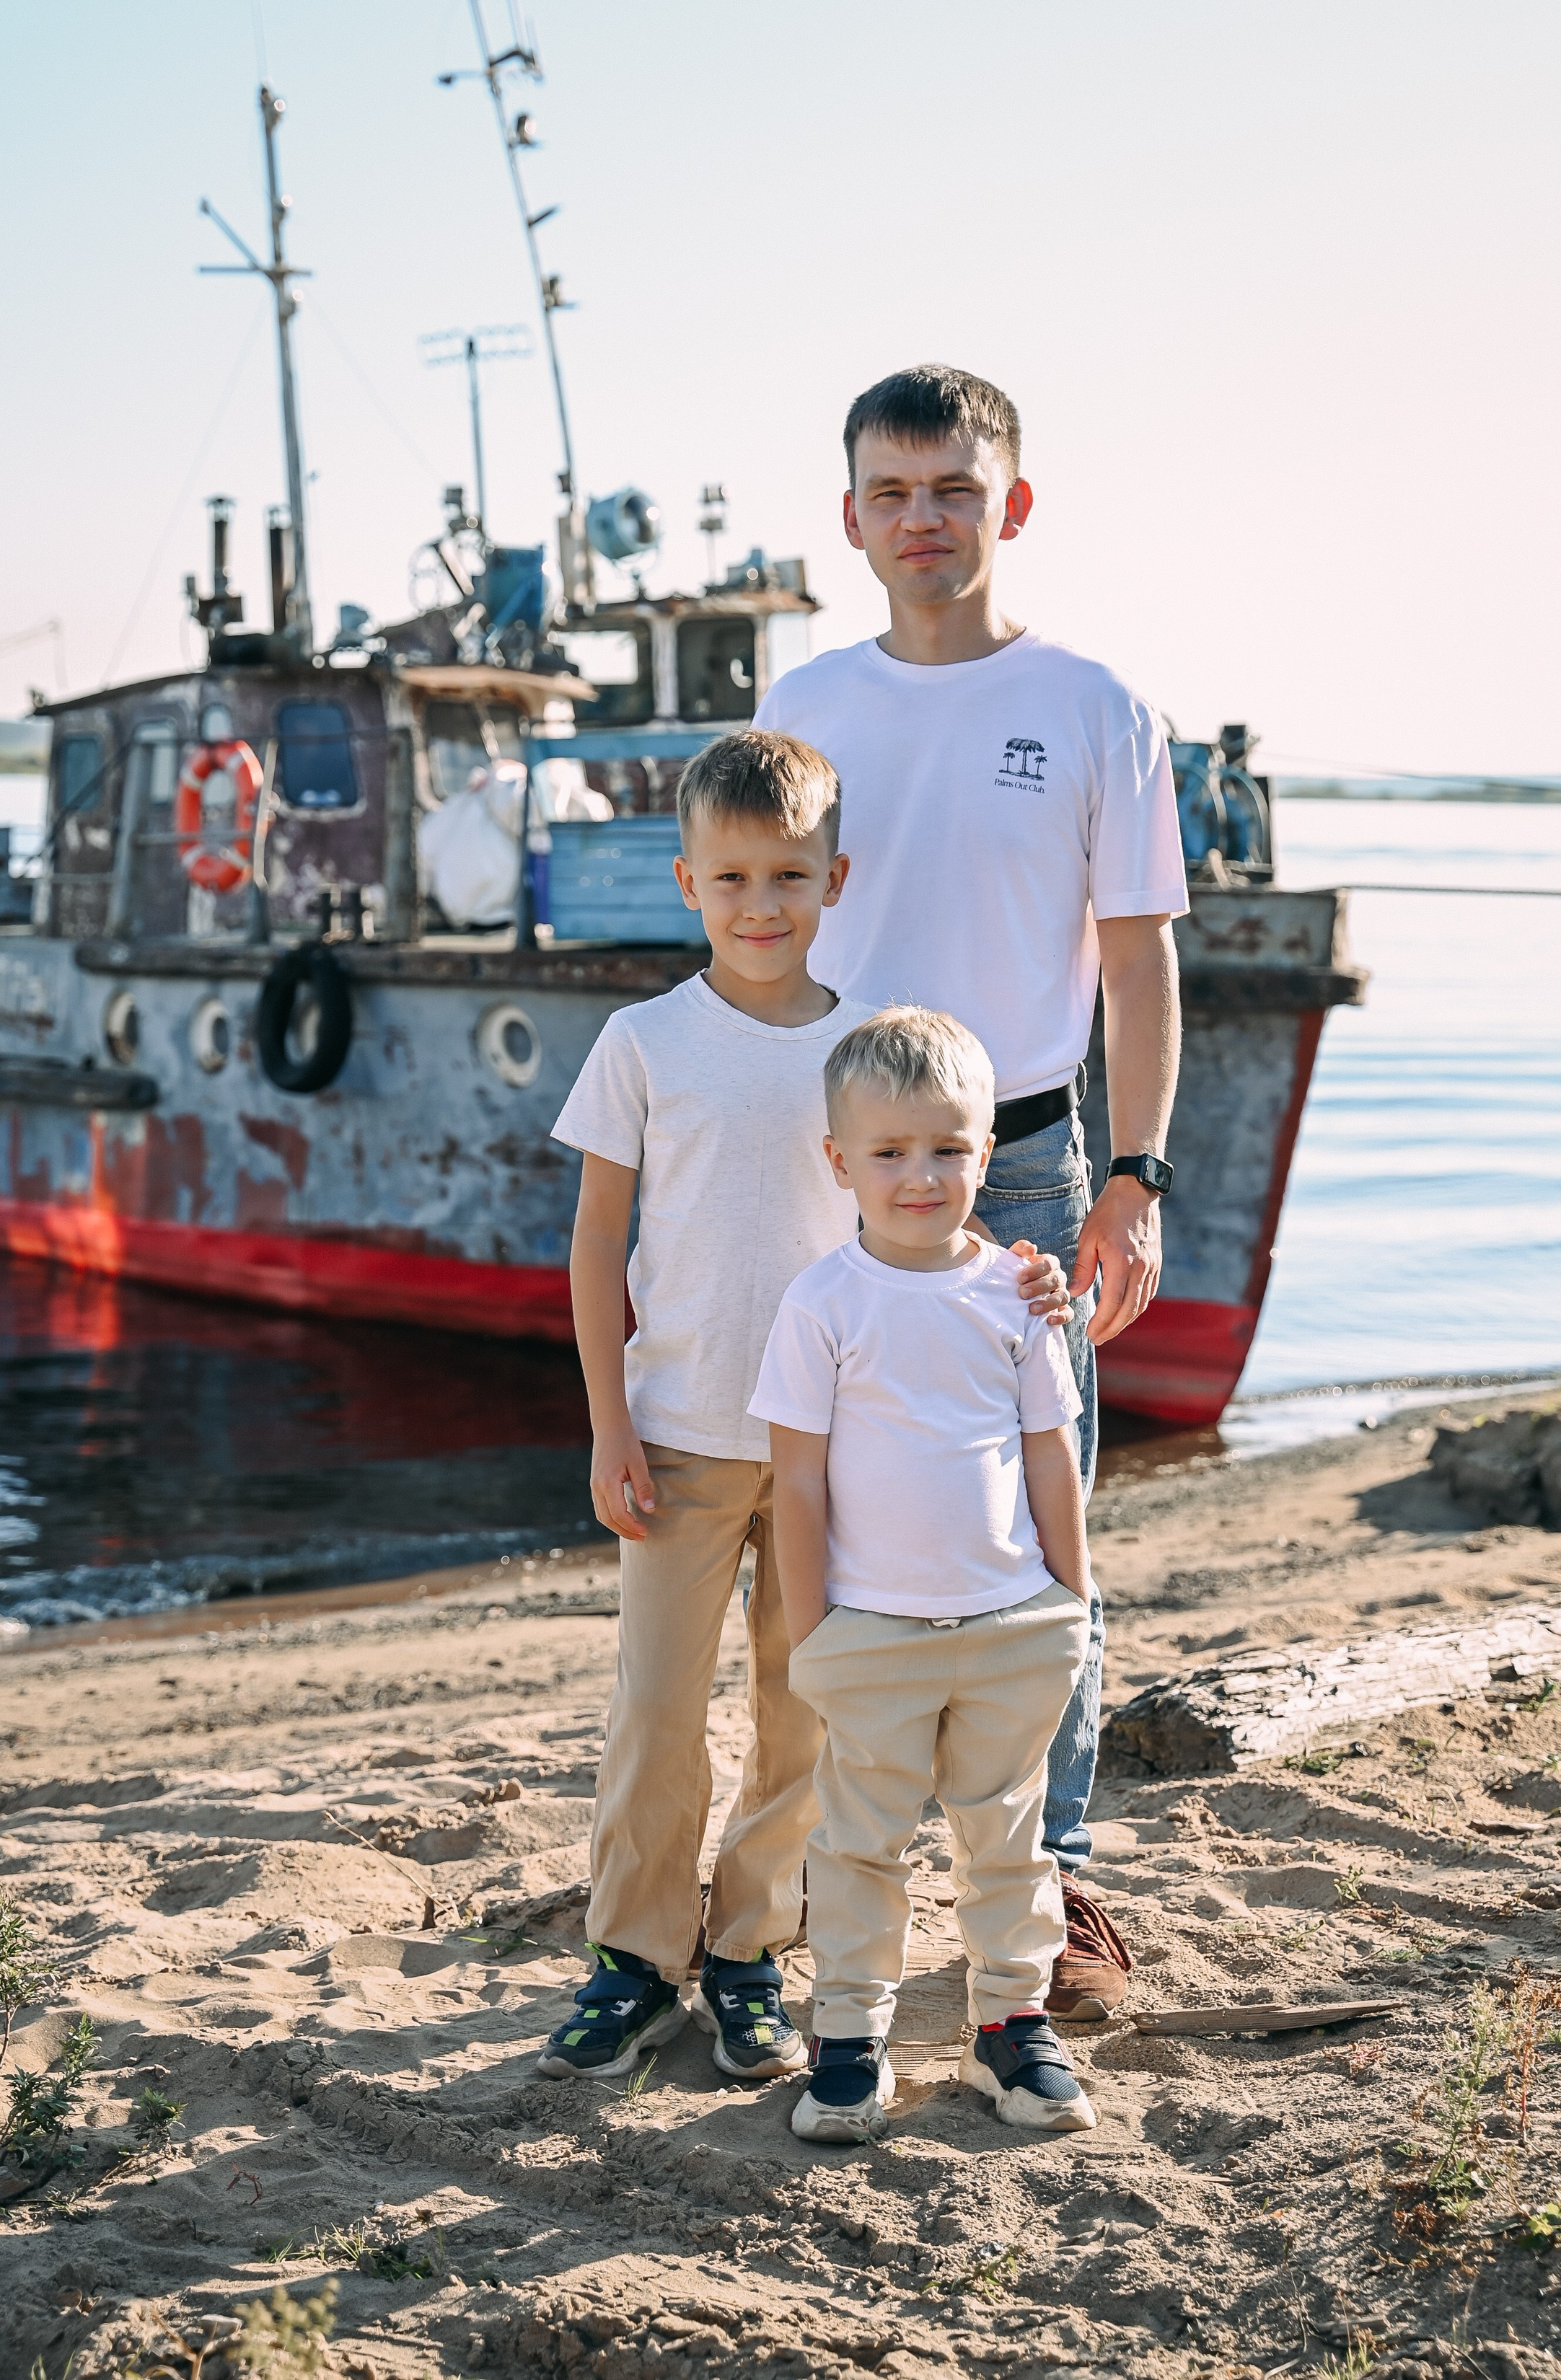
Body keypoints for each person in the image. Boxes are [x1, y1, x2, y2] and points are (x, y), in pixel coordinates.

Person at [537, 730, 1068, 2084]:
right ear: (686, 882)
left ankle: (747, 1952)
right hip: (676, 1436)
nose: (760, 904)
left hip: (844, 1455)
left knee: (804, 1711)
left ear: (836, 878)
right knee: (656, 1711)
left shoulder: (864, 1046)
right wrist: (605, 1426)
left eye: (788, 874)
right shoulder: (642, 1043)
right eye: (731, 878)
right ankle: (634, 1959)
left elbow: (921, 1206)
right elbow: (598, 1245)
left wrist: (1025, 1276)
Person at [755, 363, 1187, 2014]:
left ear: (1008, 506)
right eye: (890, 491)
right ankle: (819, 1854)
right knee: (818, 1491)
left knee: (1039, 1503)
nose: (921, 519)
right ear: (851, 517)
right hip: (833, 1139)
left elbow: (1140, 970)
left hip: (1019, 1149)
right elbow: (757, 933)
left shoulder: (1093, 706)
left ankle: (1050, 1876)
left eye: (953, 489)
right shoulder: (804, 704)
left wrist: (1133, 1180)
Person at [752, 1007, 1096, 2143]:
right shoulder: (822, 1305)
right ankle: (850, 2042)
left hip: (1013, 1622)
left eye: (947, 1149)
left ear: (986, 1154)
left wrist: (1070, 1600)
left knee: (1010, 1837)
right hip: (870, 1633)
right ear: (838, 1161)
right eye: (889, 1153)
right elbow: (795, 1485)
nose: (919, 1176)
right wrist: (816, 1632)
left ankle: (1010, 2027)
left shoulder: (1015, 1294)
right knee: (859, 1842)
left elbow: (1048, 1448)